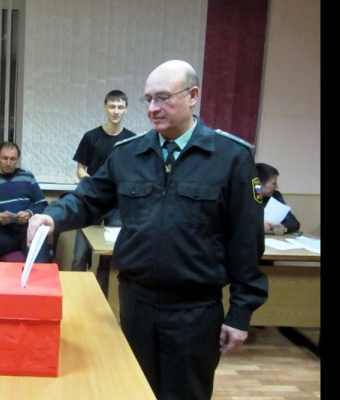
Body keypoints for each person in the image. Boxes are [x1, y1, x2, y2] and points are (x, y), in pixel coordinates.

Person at [26, 60, 268, 400]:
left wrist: (240, 313)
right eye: (148, 99)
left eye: (163, 98)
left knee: (186, 394)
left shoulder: (230, 157)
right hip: (136, 303)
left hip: (194, 311)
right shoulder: (129, 154)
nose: (152, 108)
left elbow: (246, 241)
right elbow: (88, 197)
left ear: (193, 95)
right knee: (135, 390)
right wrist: (52, 217)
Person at [71, 89, 136, 298]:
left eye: (120, 107)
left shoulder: (131, 141)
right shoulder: (91, 137)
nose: (116, 111)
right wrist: (94, 184)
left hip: (116, 207)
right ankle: (75, 298)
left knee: (108, 258)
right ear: (105, 107)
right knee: (79, 255)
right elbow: (80, 170)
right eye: (112, 106)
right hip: (91, 202)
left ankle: (100, 300)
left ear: (126, 109)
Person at [0, 141, 51, 269]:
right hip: (4, 233)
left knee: (40, 263)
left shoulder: (27, 177)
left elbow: (42, 204)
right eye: (4, 158)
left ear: (17, 160)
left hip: (28, 230)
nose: (8, 163)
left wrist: (29, 214)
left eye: (12, 159)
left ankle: (30, 283)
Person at [256, 162, 301, 235]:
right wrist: (257, 225)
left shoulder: (275, 196)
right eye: (273, 183)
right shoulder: (245, 197)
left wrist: (284, 228)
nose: (276, 187)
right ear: (260, 184)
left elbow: (294, 222)